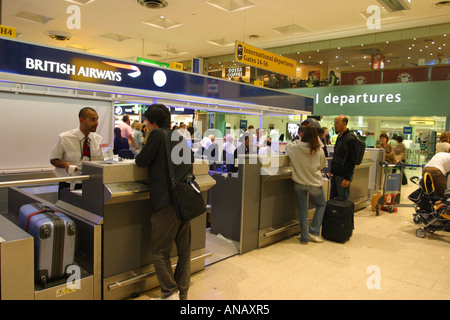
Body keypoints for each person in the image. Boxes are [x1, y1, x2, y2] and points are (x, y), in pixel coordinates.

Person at [135, 104, 193, 300]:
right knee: (184, 252)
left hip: (166, 202)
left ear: (154, 123)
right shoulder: (180, 137)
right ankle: (182, 294)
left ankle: (170, 293)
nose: (146, 127)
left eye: (147, 123)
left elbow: (141, 161)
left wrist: (147, 138)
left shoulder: (158, 135)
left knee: (160, 252)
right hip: (184, 201)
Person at [286, 125, 327, 244]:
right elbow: (322, 165)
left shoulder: (295, 148)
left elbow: (288, 147)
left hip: (299, 182)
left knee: (303, 209)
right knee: (321, 205)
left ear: (302, 134)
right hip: (315, 183)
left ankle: (304, 237)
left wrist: (298, 141)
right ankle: (314, 232)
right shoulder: (318, 150)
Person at [50, 107, 102, 192]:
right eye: (92, 120)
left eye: (97, 119)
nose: (96, 123)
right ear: (81, 120)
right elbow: (53, 159)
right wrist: (65, 164)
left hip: (91, 183)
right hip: (69, 185)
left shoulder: (98, 139)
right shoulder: (65, 138)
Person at [329, 115, 358, 200]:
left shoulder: (350, 139)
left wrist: (347, 178)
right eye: (334, 122)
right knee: (333, 199)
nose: (334, 124)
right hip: (336, 174)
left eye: (337, 123)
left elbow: (352, 159)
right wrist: (332, 170)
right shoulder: (340, 137)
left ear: (344, 123)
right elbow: (337, 155)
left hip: (343, 175)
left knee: (342, 200)